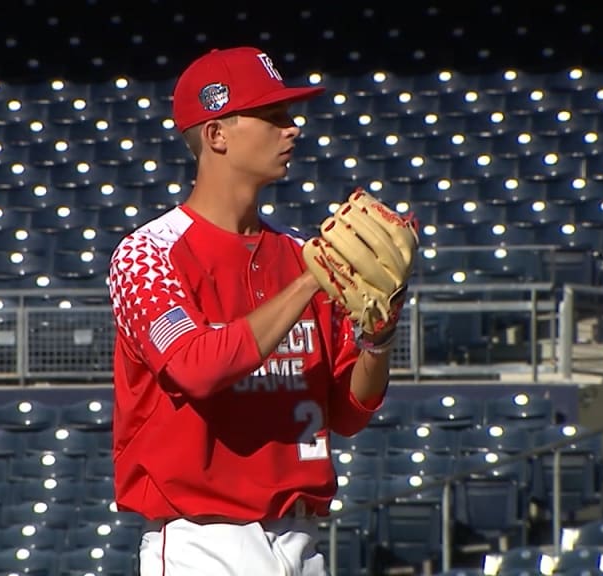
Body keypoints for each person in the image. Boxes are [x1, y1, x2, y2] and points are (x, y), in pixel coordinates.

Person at [106, 46, 398, 576]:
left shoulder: (300, 253)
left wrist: (378, 337)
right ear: (216, 134)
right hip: (204, 541)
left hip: (302, 539)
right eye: (272, 117)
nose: (292, 130)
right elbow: (196, 368)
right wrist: (313, 280)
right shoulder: (146, 255)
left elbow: (349, 411)